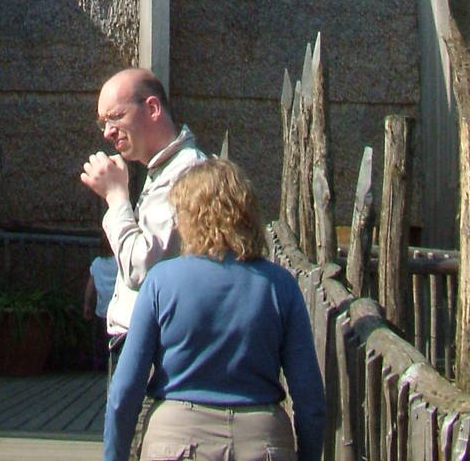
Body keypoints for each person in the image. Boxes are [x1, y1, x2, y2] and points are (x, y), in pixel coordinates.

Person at [104, 159, 326, 461]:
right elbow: (310, 398)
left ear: (189, 217)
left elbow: (125, 392)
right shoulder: (280, 285)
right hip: (262, 439)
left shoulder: (161, 282)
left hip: (176, 439)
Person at [80, 67, 205, 351]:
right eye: (103, 123)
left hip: (155, 350)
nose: (108, 132)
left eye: (115, 117)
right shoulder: (164, 172)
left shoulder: (185, 174)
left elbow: (143, 270)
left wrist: (116, 197)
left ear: (152, 108)